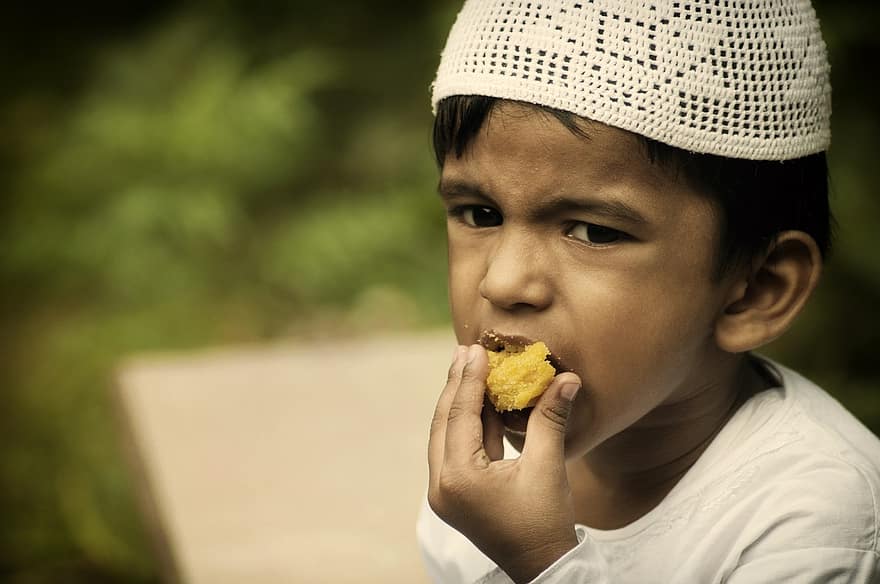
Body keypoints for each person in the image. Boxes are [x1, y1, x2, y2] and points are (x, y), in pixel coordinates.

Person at [416, 1, 880, 583]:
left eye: (595, 231)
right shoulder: (480, 477)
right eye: (480, 214)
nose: (502, 282)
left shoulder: (817, 527)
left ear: (755, 290)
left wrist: (542, 563)